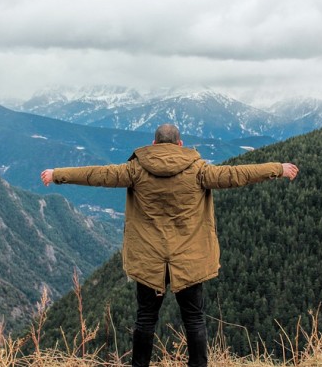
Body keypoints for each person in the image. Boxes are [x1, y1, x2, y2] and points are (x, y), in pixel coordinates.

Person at [41, 123, 299, 367]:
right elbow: (236, 175)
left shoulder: (135, 170)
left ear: (153, 144)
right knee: (194, 319)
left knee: (145, 319)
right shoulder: (199, 170)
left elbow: (97, 174)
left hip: (149, 259)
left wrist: (57, 174)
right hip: (188, 259)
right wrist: (277, 168)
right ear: (180, 144)